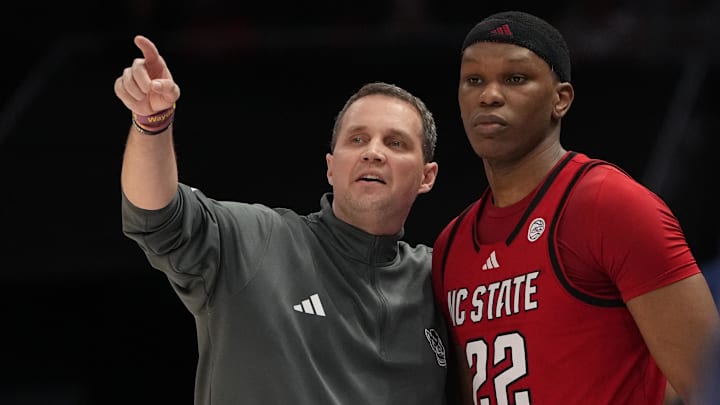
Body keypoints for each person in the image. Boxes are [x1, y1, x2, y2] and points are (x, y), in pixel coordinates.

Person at [114, 35, 449, 405]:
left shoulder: (443, 281)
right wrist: (153, 123)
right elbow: (157, 215)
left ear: (427, 176)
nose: (373, 153)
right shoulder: (257, 241)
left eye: (395, 143)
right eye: (357, 139)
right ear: (331, 168)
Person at [431, 10, 720, 405]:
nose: (490, 95)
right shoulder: (451, 245)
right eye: (474, 80)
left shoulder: (608, 205)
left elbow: (708, 381)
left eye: (515, 78)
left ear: (560, 99)